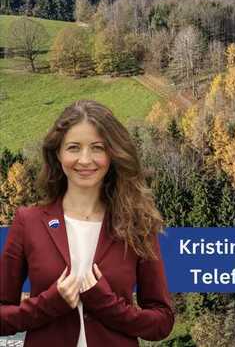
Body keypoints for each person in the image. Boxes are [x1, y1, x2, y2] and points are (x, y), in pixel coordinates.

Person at [0, 100, 174, 346]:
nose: (85, 159)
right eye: (73, 147)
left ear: (112, 153)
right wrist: (48, 305)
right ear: (57, 153)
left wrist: (106, 304)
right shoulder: (28, 221)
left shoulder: (137, 224)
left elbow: (162, 322)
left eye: (97, 148)